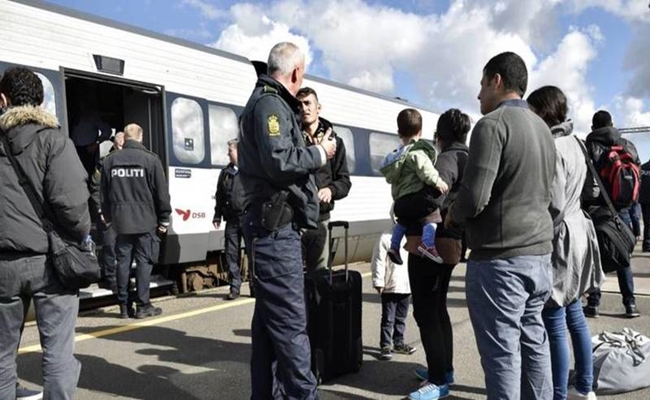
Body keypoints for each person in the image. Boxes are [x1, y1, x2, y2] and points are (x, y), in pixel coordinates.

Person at [446, 52, 556, 400]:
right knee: (534, 344)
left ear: (497, 81)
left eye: (482, 84)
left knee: (502, 356)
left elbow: (475, 197)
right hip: (540, 257)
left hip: (500, 261)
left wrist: (452, 215)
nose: (479, 93)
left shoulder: (492, 125)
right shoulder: (543, 128)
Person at [238, 42, 336, 400]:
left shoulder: (268, 101)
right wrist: (319, 153)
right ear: (296, 72)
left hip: (270, 229)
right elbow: (279, 161)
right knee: (292, 327)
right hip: (276, 232)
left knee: (268, 328)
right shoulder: (270, 105)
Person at [0, 66, 89, 399]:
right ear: (40, 102)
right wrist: (77, 235)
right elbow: (74, 208)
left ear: (3, 100)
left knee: (1, 355)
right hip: (50, 262)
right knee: (58, 354)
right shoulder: (54, 141)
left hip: (3, 266)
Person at [527, 85, 603, 400]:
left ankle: (558, 394)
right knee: (575, 313)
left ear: (542, 112)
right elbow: (591, 191)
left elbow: (554, 205)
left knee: (554, 317)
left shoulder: (553, 146)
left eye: (532, 111)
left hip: (560, 236)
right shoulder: (576, 142)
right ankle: (584, 386)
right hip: (580, 230)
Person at [406, 108, 470, 400]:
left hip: (433, 243)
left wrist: (403, 207)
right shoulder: (467, 156)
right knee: (438, 308)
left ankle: (438, 379)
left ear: (439, 135)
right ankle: (445, 368)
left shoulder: (446, 159)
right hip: (452, 243)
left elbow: (433, 197)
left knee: (426, 311)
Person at [101, 123, 171, 319]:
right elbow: (161, 194)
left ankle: (124, 307)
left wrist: (108, 218)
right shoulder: (150, 160)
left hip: (120, 223)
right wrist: (164, 219)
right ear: (141, 137)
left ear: (125, 138)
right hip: (145, 222)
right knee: (143, 263)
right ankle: (143, 306)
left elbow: (103, 194)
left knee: (122, 263)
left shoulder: (110, 160)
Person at [583, 110, 640, 318]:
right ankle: (630, 303)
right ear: (612, 124)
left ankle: (594, 303)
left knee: (595, 256)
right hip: (622, 209)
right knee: (622, 255)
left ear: (593, 127)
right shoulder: (627, 145)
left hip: (596, 210)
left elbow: (587, 182)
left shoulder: (589, 147)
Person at [380, 109, 449, 265]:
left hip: (400, 202)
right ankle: (427, 244)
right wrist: (438, 182)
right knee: (431, 215)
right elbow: (426, 171)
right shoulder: (416, 153)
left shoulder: (395, 157)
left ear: (399, 133)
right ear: (420, 132)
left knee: (403, 222)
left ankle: (394, 246)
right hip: (415, 198)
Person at [297, 87, 351, 272]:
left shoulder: (335, 142)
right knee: (294, 276)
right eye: (299, 105)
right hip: (296, 220)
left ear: (318, 108)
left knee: (319, 276)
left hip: (321, 221)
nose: (304, 108)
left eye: (308, 103)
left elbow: (344, 181)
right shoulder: (292, 140)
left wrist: (331, 190)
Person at [371, 217, 416, 361]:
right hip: (390, 285)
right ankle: (385, 345)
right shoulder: (385, 237)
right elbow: (378, 260)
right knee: (388, 318)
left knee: (401, 318)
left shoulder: (412, 236)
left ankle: (398, 342)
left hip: (407, 285)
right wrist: (378, 281)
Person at [89, 131, 126, 292]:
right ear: (116, 145)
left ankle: (123, 279)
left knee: (124, 249)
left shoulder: (131, 162)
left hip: (125, 213)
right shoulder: (104, 163)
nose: (123, 148)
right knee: (109, 247)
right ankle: (111, 280)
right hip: (108, 213)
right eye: (121, 145)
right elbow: (95, 188)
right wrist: (100, 210)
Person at [213, 138, 246, 300]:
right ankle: (234, 287)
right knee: (231, 254)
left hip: (248, 218)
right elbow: (220, 195)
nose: (228, 154)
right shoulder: (226, 173)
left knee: (253, 253)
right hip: (232, 219)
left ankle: (255, 286)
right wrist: (217, 215)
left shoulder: (250, 171)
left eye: (230, 151)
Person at [640, 158, 650, 252]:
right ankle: (647, 244)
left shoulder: (642, 167)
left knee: (647, 223)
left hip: (643, 199)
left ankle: (646, 245)